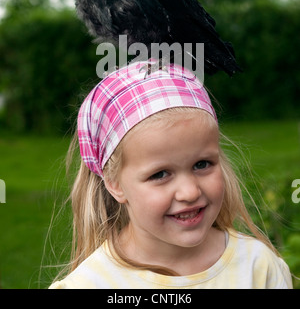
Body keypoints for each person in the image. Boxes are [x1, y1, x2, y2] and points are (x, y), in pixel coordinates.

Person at [49, 60, 292, 289]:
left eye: (202, 164)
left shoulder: (258, 268)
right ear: (114, 184)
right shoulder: (91, 284)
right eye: (160, 174)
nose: (190, 192)